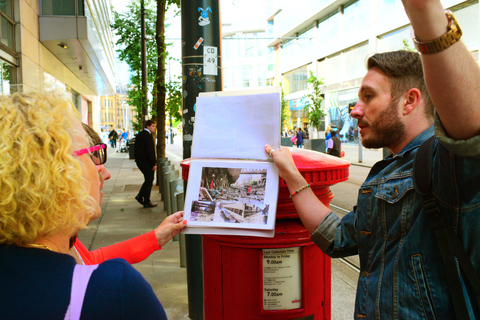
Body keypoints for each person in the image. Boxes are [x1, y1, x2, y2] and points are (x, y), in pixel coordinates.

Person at [265, 0, 480, 317]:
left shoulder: (447, 163)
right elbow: (338, 239)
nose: (354, 110)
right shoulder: (383, 174)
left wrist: (425, 14)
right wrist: (291, 174)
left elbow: (469, 128)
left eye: (368, 96)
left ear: (410, 101)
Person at [0, 91, 168, 319]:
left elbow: (89, 260)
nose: (104, 172)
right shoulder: (114, 293)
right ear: (55, 173)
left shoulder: (58, 246)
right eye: (92, 155)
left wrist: (155, 237)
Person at [72, 124, 187, 265]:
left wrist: (156, 237)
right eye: (93, 158)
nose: (107, 174)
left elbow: (90, 260)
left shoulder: (64, 242)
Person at [135, 120, 158, 208]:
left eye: (155, 126)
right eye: (153, 126)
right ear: (147, 126)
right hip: (146, 162)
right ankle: (145, 200)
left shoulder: (140, 134)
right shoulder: (147, 136)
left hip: (141, 162)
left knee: (148, 180)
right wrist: (153, 163)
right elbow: (150, 151)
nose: (154, 128)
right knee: (149, 180)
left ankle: (141, 197)